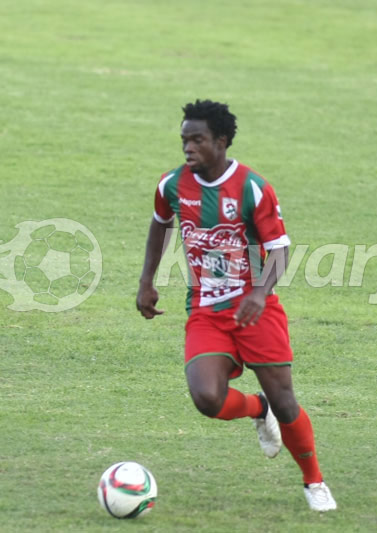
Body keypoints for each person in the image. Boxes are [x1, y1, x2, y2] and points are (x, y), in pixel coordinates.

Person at [136, 99, 336, 511]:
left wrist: (260, 292)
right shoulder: (171, 185)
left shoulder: (251, 188)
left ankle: (314, 481)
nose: (188, 147)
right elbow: (160, 224)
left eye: (198, 140)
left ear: (222, 141)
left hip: (255, 310)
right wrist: (146, 281)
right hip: (206, 312)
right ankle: (256, 409)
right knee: (207, 398)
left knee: (286, 403)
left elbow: (279, 249)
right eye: (184, 140)